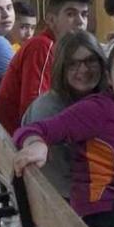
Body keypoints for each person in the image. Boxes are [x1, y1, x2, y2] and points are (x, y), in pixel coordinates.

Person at [12, 40, 114, 227]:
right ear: (109, 77)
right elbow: (34, 129)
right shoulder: (96, 110)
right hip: (103, 216)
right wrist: (37, 144)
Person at [21, 31, 107, 198]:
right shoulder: (49, 110)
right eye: (72, 64)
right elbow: (66, 179)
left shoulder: (92, 102)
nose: (83, 69)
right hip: (66, 207)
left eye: (90, 61)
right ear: (61, 68)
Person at [0, 0, 91, 134]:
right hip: (20, 141)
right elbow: (34, 106)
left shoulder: (62, 49)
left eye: (84, 15)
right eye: (71, 14)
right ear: (51, 20)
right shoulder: (42, 46)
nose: (80, 22)